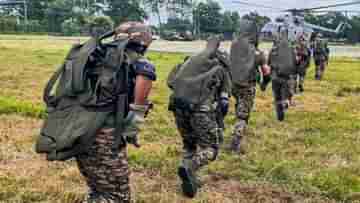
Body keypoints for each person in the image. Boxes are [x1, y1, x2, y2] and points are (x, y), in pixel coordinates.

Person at [75, 21, 156, 203]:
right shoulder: (141, 63)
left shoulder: (95, 55)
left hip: (77, 128)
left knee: (98, 187)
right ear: (143, 41)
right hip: (106, 135)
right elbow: (138, 108)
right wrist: (131, 131)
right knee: (118, 196)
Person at [167, 36, 232, 198]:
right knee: (212, 148)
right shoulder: (221, 69)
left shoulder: (188, 63)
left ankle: (189, 179)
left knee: (189, 145)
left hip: (178, 107)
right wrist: (218, 120)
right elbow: (224, 102)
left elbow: (170, 82)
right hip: (201, 111)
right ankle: (190, 167)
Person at [229, 20, 268, 153]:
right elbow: (266, 72)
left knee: (239, 105)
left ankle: (236, 123)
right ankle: (235, 143)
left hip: (233, 85)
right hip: (247, 86)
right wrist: (264, 84)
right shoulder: (258, 53)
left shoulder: (234, 46)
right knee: (243, 116)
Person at [268, 31, 297, 121]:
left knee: (277, 98)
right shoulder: (291, 49)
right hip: (287, 78)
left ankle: (280, 117)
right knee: (287, 95)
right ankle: (286, 102)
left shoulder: (273, 49)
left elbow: (269, 62)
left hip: (275, 77)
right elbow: (295, 62)